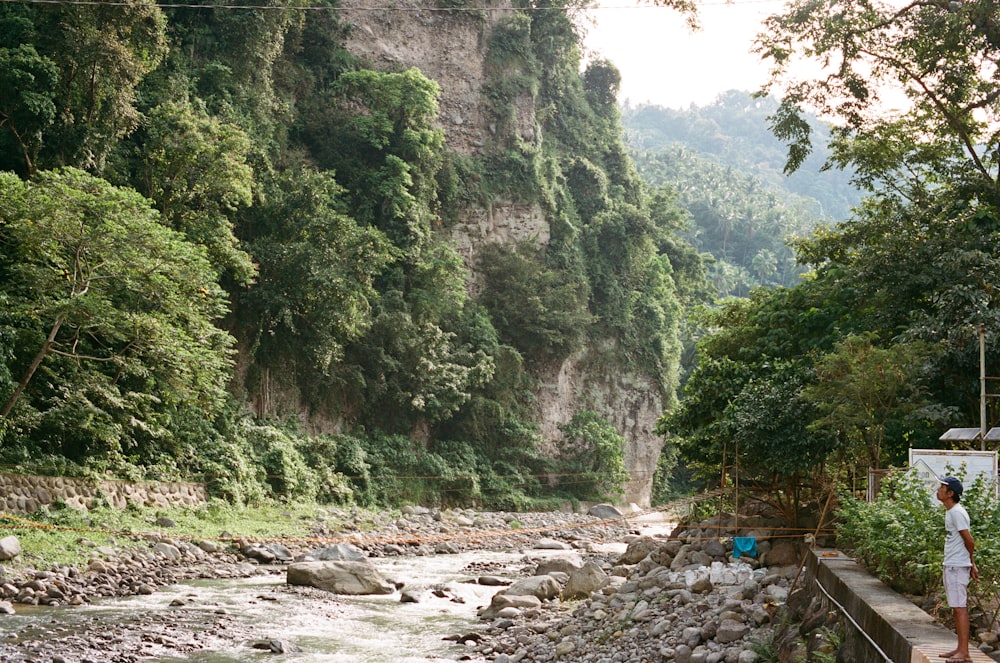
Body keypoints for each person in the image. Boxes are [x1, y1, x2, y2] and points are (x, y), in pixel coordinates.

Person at [936, 475, 979, 663]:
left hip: (957, 566)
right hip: (953, 564)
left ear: (950, 493)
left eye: (942, 487)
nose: (938, 490)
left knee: (960, 608)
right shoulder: (951, 512)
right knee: (956, 607)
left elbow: (969, 540)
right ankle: (960, 648)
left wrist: (970, 562)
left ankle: (965, 653)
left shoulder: (956, 512)